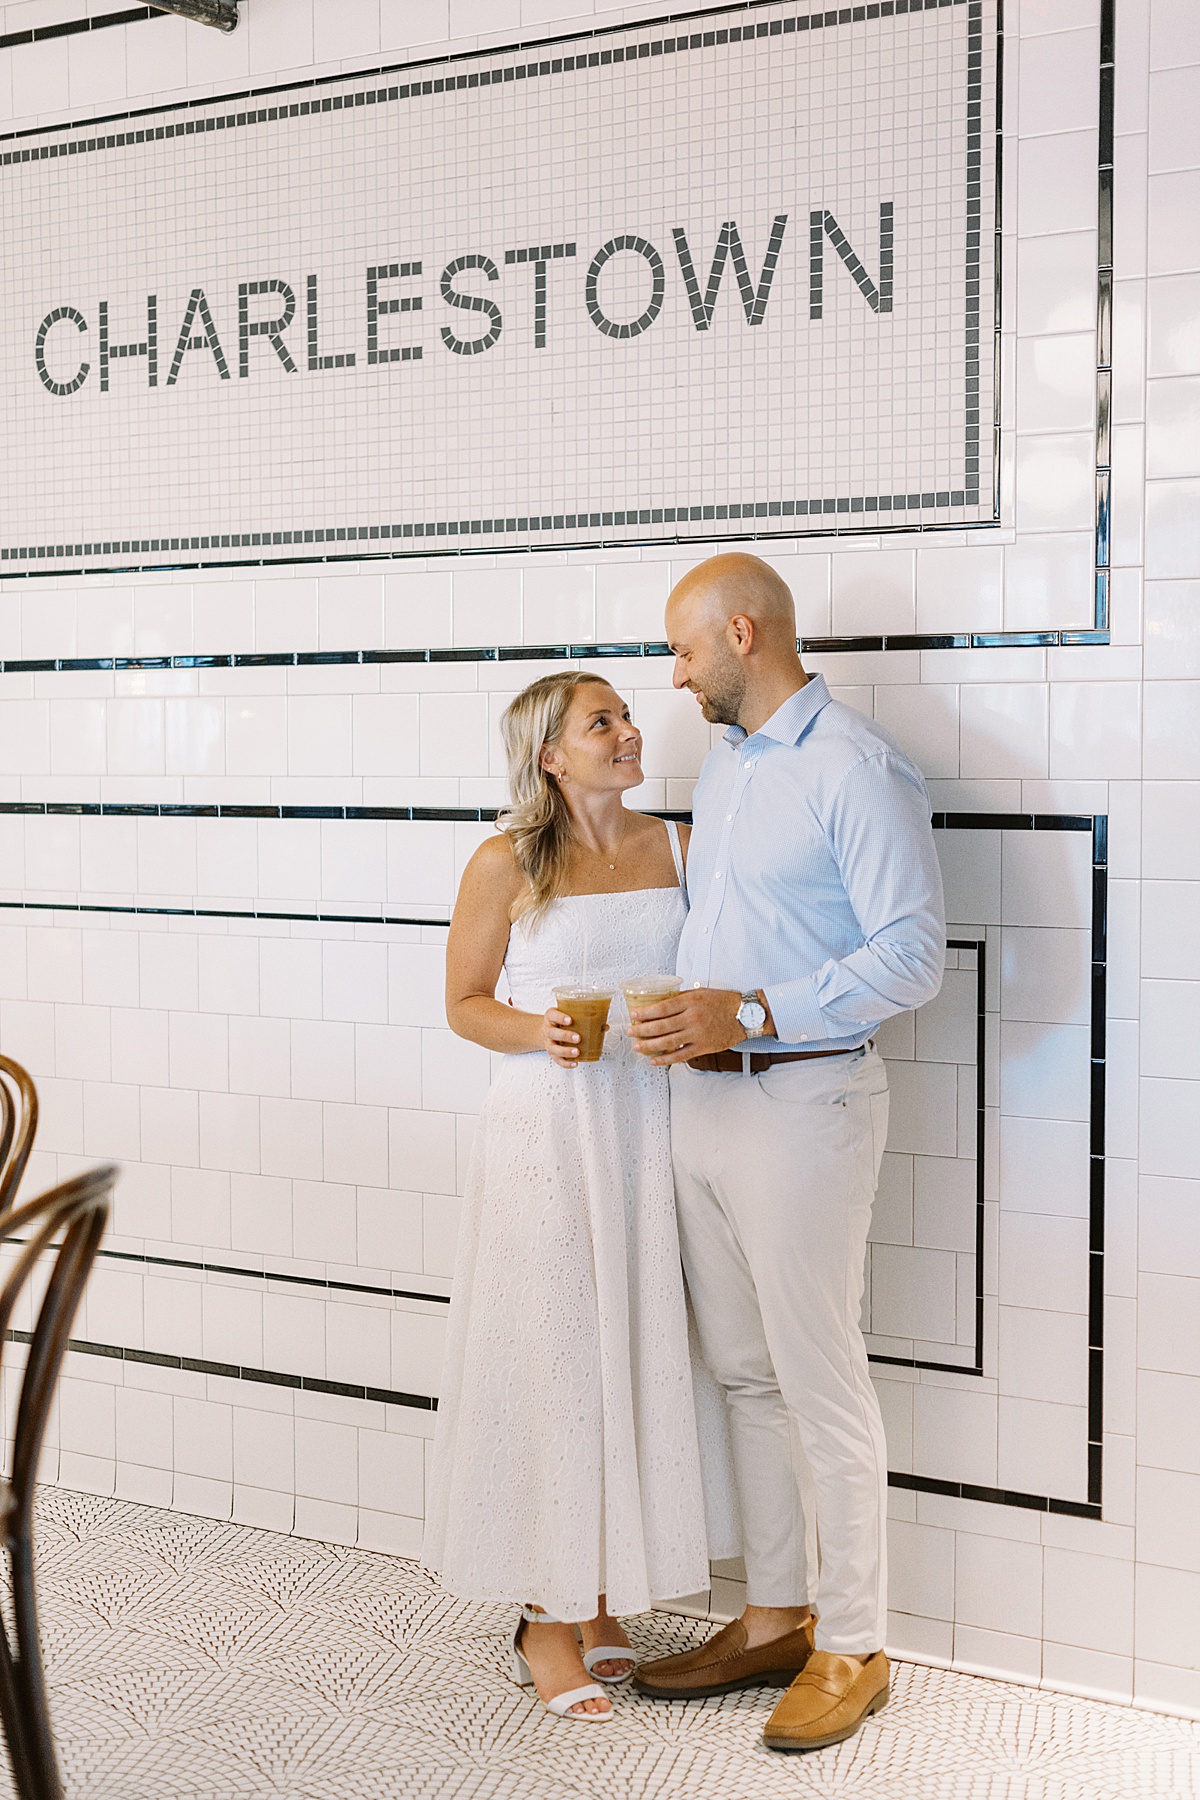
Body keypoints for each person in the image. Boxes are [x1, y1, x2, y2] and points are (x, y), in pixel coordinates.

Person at [627, 553, 946, 1752]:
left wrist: (750, 1012)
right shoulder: (731, 765)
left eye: (686, 651)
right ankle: (774, 1615)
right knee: (749, 1376)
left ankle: (854, 1643)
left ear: (743, 635)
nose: (676, 673)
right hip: (702, 1105)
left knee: (821, 1379)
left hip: (806, 1103)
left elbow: (915, 954)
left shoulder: (855, 768)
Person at [424, 669, 733, 1723]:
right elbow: (466, 1006)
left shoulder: (679, 847)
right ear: (551, 756)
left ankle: (603, 1596)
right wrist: (540, 1032)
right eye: (602, 722)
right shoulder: (504, 861)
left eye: (624, 716)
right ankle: (543, 1619)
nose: (628, 730)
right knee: (553, 1359)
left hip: (650, 1131)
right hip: (547, 1138)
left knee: (636, 1351)